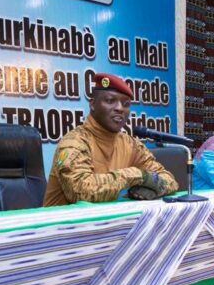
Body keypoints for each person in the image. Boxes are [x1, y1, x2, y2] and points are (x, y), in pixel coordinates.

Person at [42, 72, 178, 206]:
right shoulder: (75, 142)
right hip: (64, 226)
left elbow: (170, 180)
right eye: (110, 101)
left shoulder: (131, 144)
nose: (120, 108)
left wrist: (154, 190)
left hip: (109, 225)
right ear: (93, 104)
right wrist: (135, 175)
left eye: (126, 104)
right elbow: (80, 191)